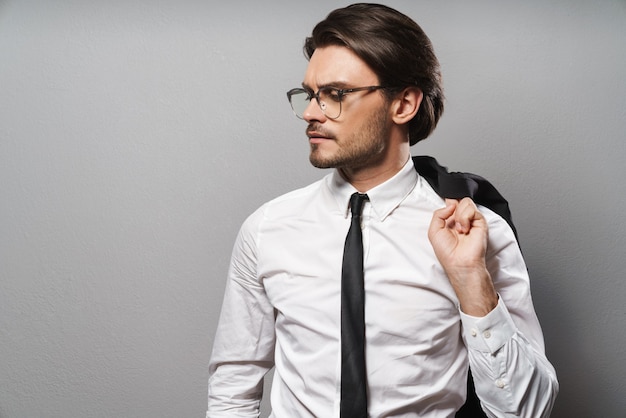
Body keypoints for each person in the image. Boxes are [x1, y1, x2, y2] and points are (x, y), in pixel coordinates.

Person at [207, 3, 558, 417]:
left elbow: (527, 411)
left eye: (335, 94)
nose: (309, 112)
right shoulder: (267, 228)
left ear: (404, 104)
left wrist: (471, 281)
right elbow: (234, 382)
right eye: (309, 94)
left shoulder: (478, 233)